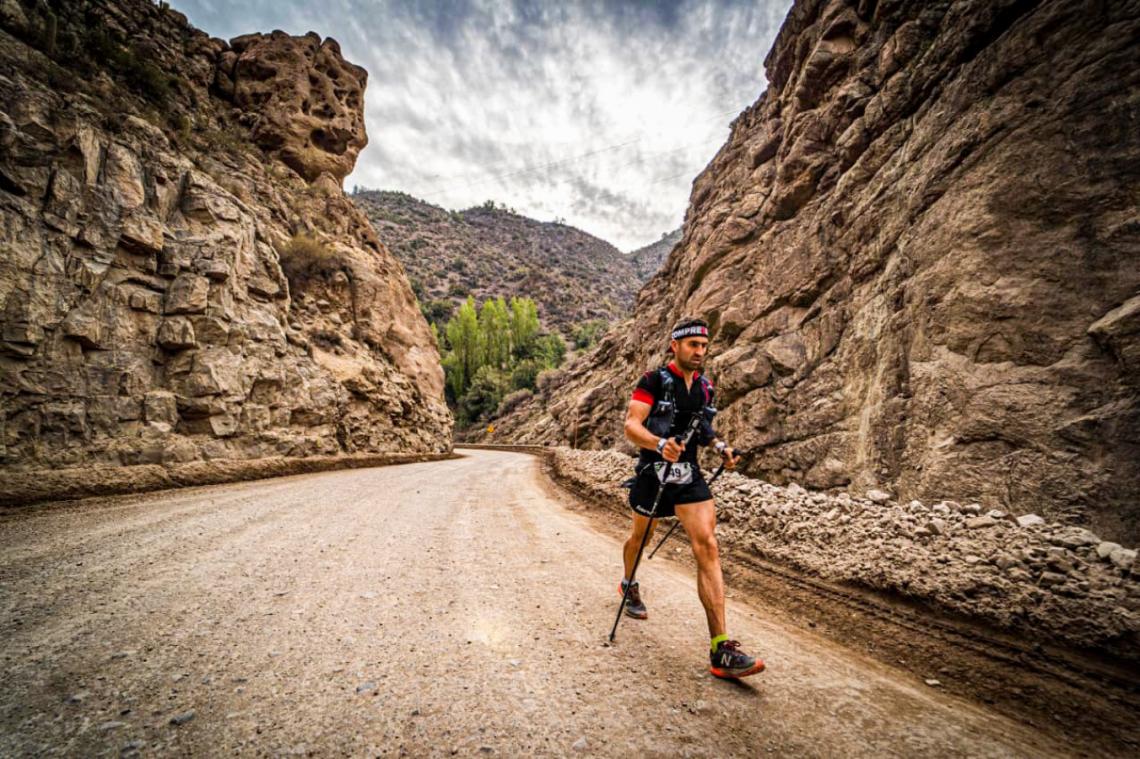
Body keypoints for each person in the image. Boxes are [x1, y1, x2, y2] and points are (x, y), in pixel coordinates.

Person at [621, 316, 765, 679]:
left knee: (708, 546)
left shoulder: (704, 387)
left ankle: (721, 649)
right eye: (692, 345)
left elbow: (701, 426)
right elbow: (631, 426)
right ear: (675, 346)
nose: (699, 352)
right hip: (653, 473)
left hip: (688, 477)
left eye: (703, 346)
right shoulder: (653, 381)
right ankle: (629, 584)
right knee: (641, 537)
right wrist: (658, 444)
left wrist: (720, 446)